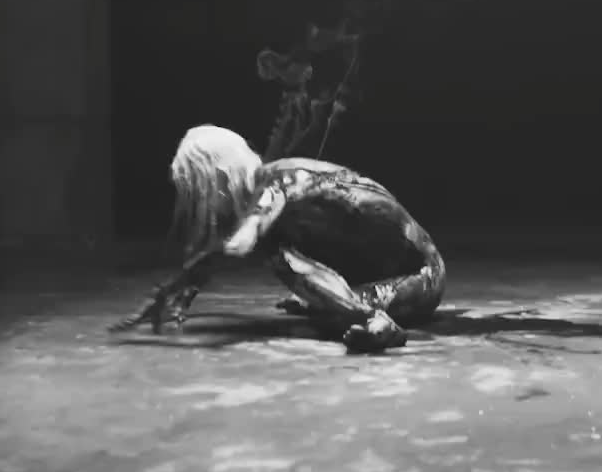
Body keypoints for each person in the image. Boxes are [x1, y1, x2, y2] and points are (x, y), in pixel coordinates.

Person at [110, 125, 446, 353]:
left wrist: (177, 285)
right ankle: (357, 309)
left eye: (205, 190)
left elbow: (241, 242)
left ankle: (375, 320)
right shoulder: (272, 185)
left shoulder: (279, 183)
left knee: (280, 257)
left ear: (221, 178)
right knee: (279, 253)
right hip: (383, 277)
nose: (209, 202)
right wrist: (183, 290)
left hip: (421, 278)